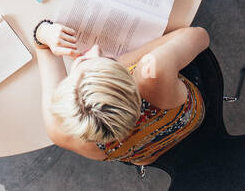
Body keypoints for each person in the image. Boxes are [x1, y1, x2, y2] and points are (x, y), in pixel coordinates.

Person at [33, 20, 210, 165]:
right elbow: (200, 35)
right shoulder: (153, 71)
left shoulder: (59, 129)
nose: (96, 48)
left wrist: (45, 32)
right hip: (190, 117)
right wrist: (137, 60)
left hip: (145, 155)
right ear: (128, 78)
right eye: (107, 60)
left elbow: (41, 46)